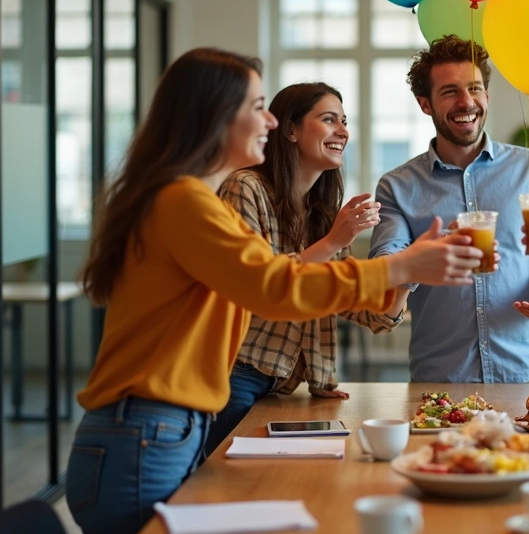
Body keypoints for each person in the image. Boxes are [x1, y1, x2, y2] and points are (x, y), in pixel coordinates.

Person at [65, 48, 481, 534]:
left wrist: (403, 271)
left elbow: (290, 283)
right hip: (144, 431)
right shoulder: (185, 202)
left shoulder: (191, 200)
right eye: (256, 105)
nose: (267, 118)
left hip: (159, 429)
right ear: (212, 115)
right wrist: (399, 267)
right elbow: (274, 287)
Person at [202, 82, 412, 455]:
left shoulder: (322, 215)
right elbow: (256, 284)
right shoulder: (245, 188)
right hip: (235, 375)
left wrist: (406, 277)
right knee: (225, 488)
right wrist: (332, 242)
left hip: (282, 386)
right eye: (329, 119)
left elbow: (366, 311)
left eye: (344, 122)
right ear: (290, 130)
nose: (343, 131)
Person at [369, 35, 529, 383]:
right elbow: (382, 268)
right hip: (441, 380)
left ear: (487, 94)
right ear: (425, 104)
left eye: (475, 88)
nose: (466, 102)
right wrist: (424, 257)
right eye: (450, 91)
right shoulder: (397, 186)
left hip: (528, 372)